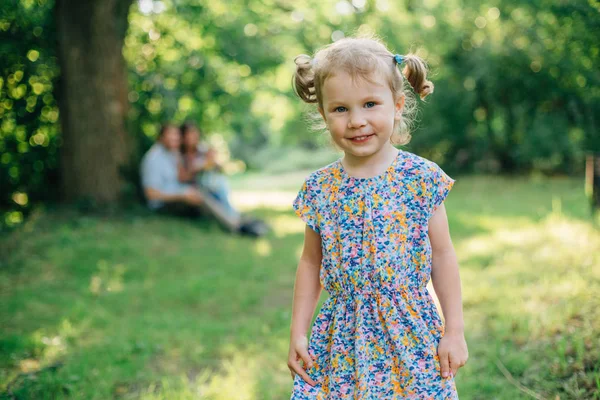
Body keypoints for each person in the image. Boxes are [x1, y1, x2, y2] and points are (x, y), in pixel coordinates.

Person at [286, 36, 468, 398]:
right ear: (323, 113)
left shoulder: (420, 178)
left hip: (410, 334)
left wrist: (455, 330)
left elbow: (443, 256)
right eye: (340, 109)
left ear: (397, 105)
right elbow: (310, 263)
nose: (356, 121)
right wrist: (298, 330)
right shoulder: (321, 188)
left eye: (370, 104)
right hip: (341, 338)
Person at [140, 123, 264, 237]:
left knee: (211, 187)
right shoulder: (153, 159)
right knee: (200, 196)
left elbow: (182, 177)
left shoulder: (171, 154)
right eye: (170, 135)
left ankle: (242, 220)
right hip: (163, 205)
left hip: (180, 194)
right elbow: (151, 194)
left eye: (177, 135)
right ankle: (236, 227)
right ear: (160, 137)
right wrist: (182, 196)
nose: (175, 138)